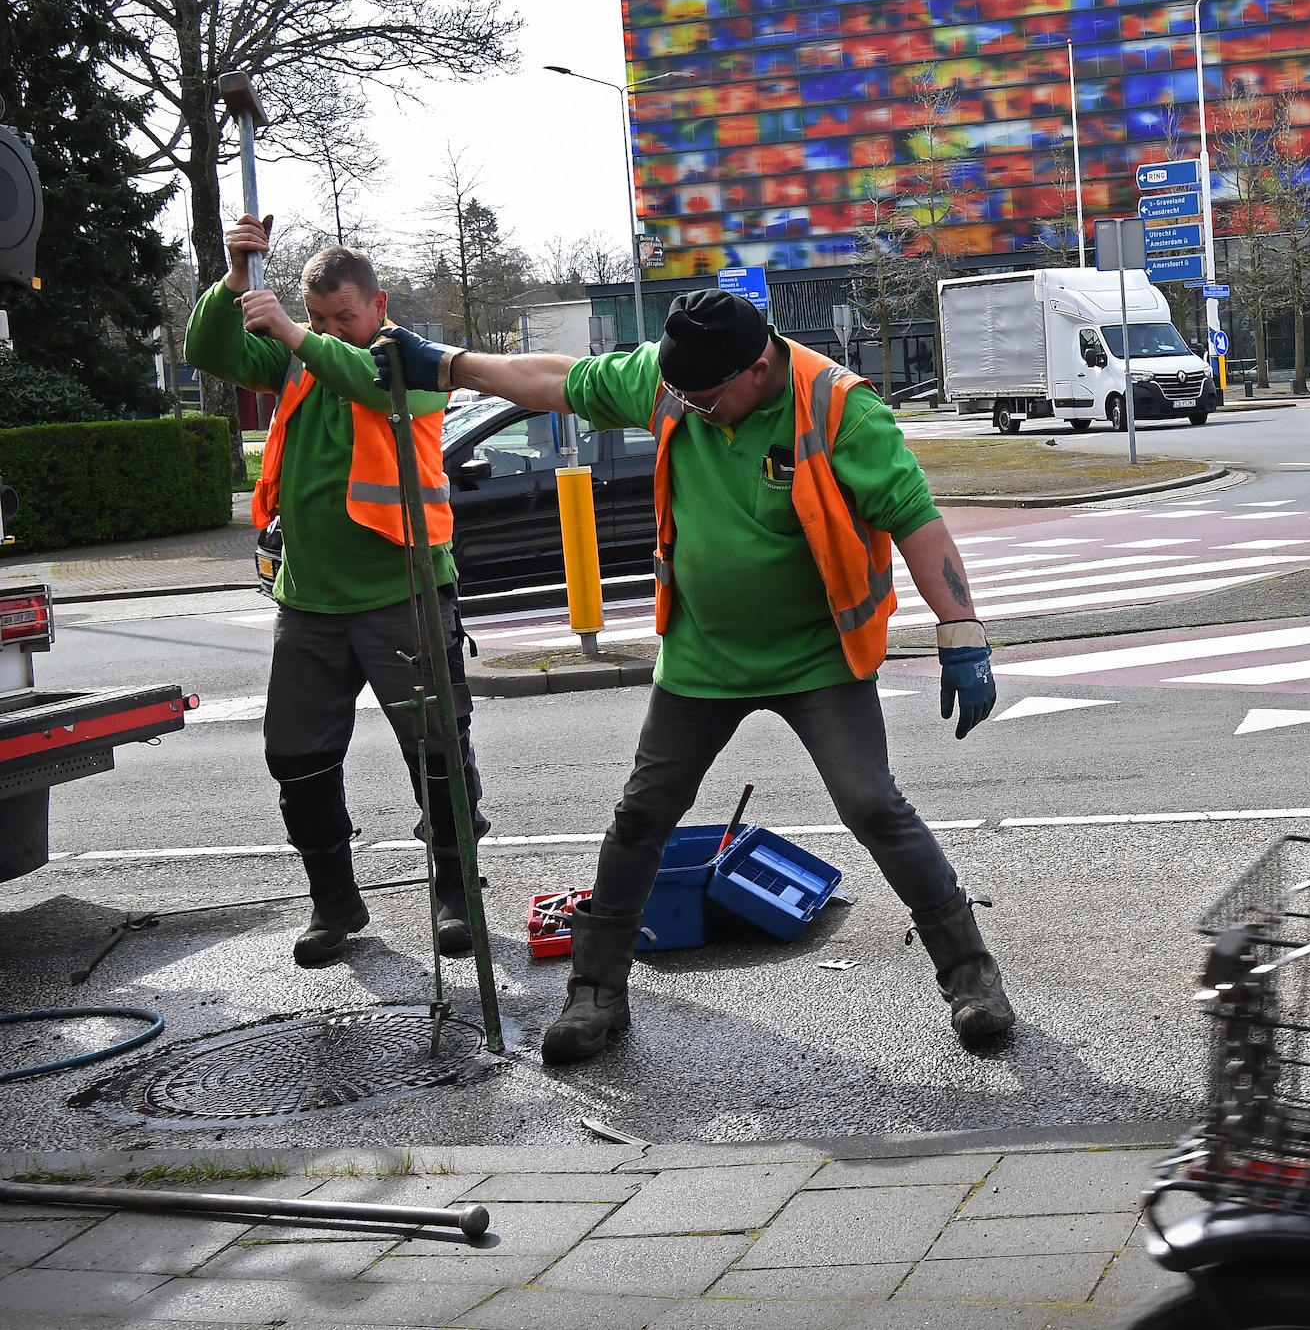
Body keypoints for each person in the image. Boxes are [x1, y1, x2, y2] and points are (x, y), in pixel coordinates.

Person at [376, 290, 1013, 1063]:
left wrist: (963, 630)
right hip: (704, 654)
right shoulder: (676, 382)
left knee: (873, 803)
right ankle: (597, 994)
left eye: (705, 397)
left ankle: (972, 977)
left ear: (757, 366)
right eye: (680, 394)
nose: (689, 408)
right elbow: (553, 379)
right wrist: (444, 364)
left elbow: (915, 517)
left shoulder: (838, 408)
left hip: (816, 654)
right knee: (643, 813)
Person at [185, 220, 490, 968]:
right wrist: (233, 279)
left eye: (342, 316)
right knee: (297, 757)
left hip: (402, 593)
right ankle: (335, 904)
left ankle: (456, 892)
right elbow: (209, 352)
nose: (328, 331)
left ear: (378, 304)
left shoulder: (408, 362)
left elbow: (365, 381)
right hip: (311, 602)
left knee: (439, 752)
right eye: (318, 318)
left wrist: (293, 332)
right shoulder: (297, 360)